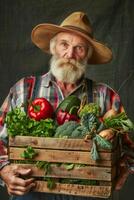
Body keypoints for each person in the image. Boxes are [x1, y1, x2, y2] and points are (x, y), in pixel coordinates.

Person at [0, 11, 133, 200]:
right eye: (64, 44)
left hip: (87, 190)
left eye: (79, 48)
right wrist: (4, 170)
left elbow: (128, 147)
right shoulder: (24, 89)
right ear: (53, 48)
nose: (70, 54)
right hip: (34, 188)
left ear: (87, 55)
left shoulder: (106, 96)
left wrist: (123, 168)